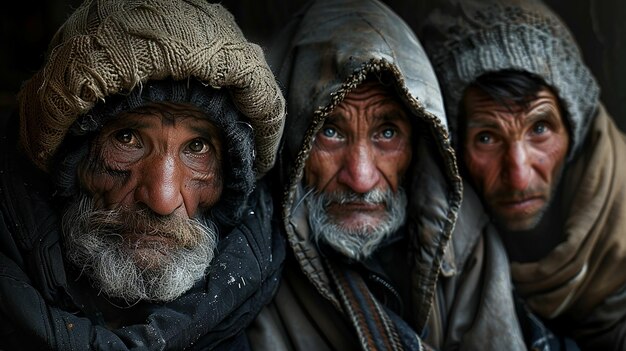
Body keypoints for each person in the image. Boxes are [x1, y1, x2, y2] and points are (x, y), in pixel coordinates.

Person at [245, 0, 534, 349]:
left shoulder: (465, 238)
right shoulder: (251, 262)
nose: (361, 178)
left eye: (387, 133)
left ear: (419, 142)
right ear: (292, 139)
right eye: (330, 132)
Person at [0, 0, 286, 349]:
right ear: (71, 163)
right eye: (127, 138)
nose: (163, 200)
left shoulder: (259, 295)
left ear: (228, 179)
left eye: (197, 147)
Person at [420, 0, 626, 349]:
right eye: (486, 138)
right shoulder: (439, 240)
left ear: (574, 129)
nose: (518, 176)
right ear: (452, 143)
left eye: (540, 128)